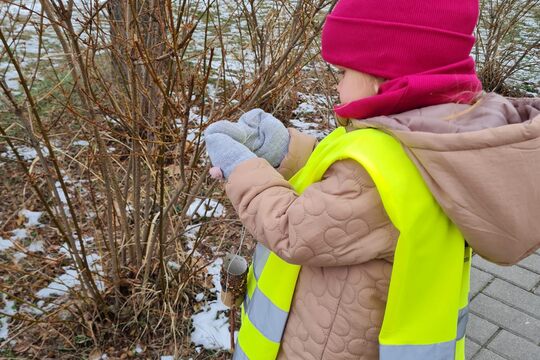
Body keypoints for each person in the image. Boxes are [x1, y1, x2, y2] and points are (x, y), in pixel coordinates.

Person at [204, 0, 540, 359]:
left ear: (385, 76)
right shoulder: (434, 137)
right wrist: (286, 150)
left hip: (324, 345)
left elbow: (292, 229)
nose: (336, 85)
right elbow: (350, 185)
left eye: (344, 72)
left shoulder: (376, 172)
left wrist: (241, 168)